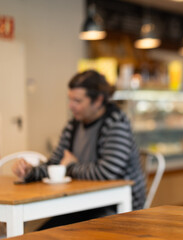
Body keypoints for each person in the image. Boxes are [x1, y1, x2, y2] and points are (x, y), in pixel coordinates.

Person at [12, 70, 146, 228]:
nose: (71, 106)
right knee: (43, 234)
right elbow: (55, 164)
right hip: (82, 205)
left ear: (98, 101)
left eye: (77, 101)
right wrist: (30, 172)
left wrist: (69, 167)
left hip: (117, 208)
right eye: (70, 99)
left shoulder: (116, 123)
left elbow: (109, 172)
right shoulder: (73, 125)